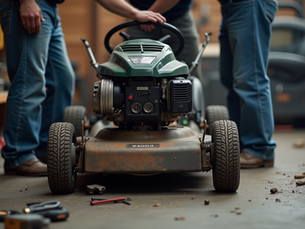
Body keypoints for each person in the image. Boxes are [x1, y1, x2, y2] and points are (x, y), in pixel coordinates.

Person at [0, 0, 75, 176]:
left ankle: (47, 149)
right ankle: (19, 155)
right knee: (30, 80)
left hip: (51, 9)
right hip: (29, 5)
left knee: (63, 79)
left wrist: (135, 13)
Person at [217, 0, 278, 168]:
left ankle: (259, 148)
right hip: (229, 7)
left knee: (250, 80)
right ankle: (241, 145)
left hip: (248, 4)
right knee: (230, 80)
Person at [96, 0, 202, 80]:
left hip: (179, 18)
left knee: (189, 74)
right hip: (138, 20)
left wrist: (149, 14)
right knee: (128, 75)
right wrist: (135, 14)